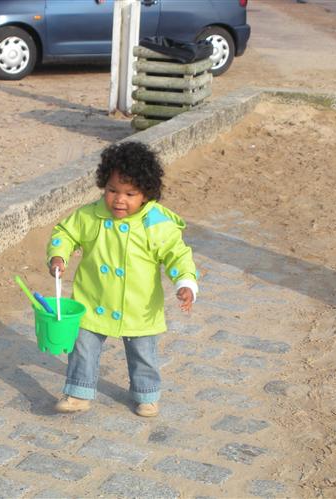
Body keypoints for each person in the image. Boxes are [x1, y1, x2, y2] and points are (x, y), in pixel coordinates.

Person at [46, 141, 198, 417]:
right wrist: (59, 255)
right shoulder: (89, 216)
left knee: (143, 353)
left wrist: (185, 282)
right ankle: (78, 391)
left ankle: (146, 394)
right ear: (103, 185)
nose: (119, 200)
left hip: (138, 305)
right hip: (92, 299)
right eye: (112, 190)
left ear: (146, 194)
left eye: (130, 193)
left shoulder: (156, 223)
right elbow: (65, 234)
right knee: (82, 346)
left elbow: (177, 254)